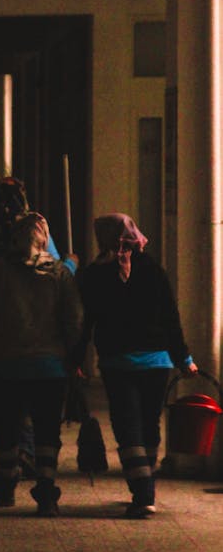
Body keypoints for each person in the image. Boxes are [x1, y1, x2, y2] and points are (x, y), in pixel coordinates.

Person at [73, 213, 197, 519]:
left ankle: (143, 492)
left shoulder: (93, 275)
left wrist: (76, 359)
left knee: (128, 427)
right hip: (158, 362)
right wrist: (184, 359)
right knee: (149, 424)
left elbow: (84, 322)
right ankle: (146, 484)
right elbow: (170, 317)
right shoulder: (153, 269)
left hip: (118, 364)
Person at [0, 211, 83, 515]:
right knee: (48, 431)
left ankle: (6, 482)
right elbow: (73, 320)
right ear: (43, 239)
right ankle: (46, 488)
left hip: (9, 364)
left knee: (7, 426)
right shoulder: (59, 273)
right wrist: (76, 358)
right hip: (51, 367)